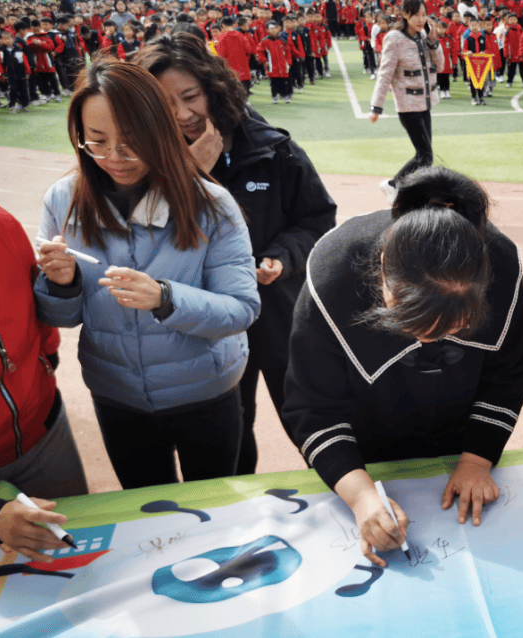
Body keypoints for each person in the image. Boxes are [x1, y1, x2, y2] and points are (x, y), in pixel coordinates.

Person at [284, 166, 523, 568]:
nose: (429, 340)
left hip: (462, 436)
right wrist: (362, 495)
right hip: (363, 444)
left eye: (455, 325)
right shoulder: (333, 276)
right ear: (383, 269)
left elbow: (508, 374)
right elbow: (313, 409)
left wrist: (476, 459)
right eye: (411, 321)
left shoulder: (504, 271)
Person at [34, 59, 259, 490]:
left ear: (161, 130)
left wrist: (165, 297)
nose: (114, 158)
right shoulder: (62, 201)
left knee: (215, 513)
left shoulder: (211, 204)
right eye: (97, 141)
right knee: (147, 512)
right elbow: (61, 319)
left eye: (133, 142)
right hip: (117, 397)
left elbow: (241, 309)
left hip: (205, 393)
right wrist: (60, 283)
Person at [136, 33, 337, 477]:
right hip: (207, 325)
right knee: (232, 435)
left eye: (191, 96)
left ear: (212, 87)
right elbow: (143, 240)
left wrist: (282, 258)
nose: (184, 114)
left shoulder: (272, 146)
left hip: (278, 314)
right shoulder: (141, 158)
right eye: (167, 104)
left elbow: (317, 218)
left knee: (308, 423)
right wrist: (193, 173)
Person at [0, 204, 89, 564]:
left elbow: (37, 311)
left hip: (44, 432)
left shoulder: (3, 225)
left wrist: (45, 364)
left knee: (76, 549)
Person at [370, 0, 443, 202]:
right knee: (425, 155)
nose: (421, 19)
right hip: (408, 106)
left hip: (424, 104)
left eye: (423, 14)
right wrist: (376, 106)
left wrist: (433, 41)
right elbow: (385, 74)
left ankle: (414, 193)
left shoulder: (423, 36)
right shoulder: (394, 38)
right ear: (405, 15)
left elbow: (441, 64)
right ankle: (394, 185)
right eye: (416, 15)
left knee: (426, 157)